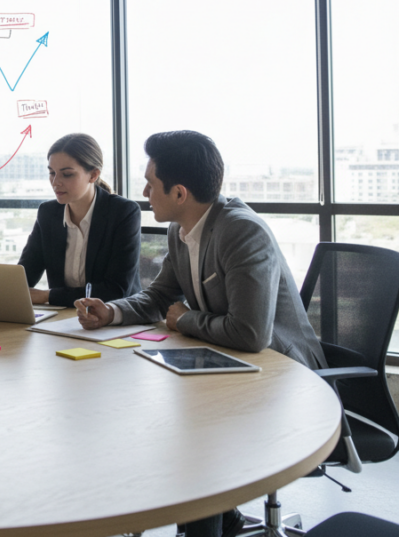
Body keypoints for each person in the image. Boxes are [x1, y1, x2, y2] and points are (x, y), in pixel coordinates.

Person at [75, 130, 325, 537]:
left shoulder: (241, 232)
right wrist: (111, 313)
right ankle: (217, 519)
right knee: (165, 420)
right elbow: (159, 297)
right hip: (226, 364)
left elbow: (250, 333)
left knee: (188, 439)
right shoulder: (181, 229)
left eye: (150, 184)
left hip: (280, 375)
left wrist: (183, 321)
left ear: (179, 192)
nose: (144, 191)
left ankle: (204, 526)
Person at [18, 133, 141, 306]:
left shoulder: (123, 212)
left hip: (113, 319)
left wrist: (48, 296)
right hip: (62, 318)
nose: (55, 182)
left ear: (93, 175)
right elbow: (24, 276)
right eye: (52, 173)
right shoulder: (48, 213)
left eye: (67, 174)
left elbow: (116, 290)